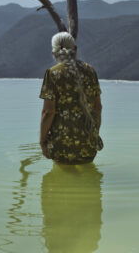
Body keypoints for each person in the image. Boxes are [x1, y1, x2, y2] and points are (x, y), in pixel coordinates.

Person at [39, 31, 103, 164]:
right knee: (90, 182)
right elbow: (98, 107)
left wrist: (42, 141)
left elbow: (48, 112)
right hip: (88, 142)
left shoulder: (53, 73)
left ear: (54, 52)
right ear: (75, 49)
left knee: (61, 183)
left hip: (61, 145)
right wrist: (94, 133)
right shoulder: (90, 71)